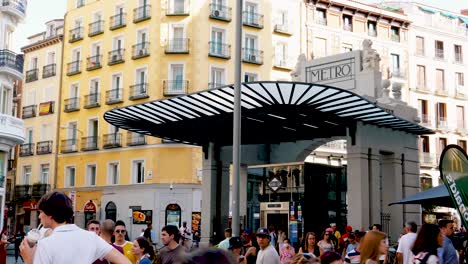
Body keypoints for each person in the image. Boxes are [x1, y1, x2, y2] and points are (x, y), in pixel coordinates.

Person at [19, 191, 130, 264]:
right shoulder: (91, 237)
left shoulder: (46, 244)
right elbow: (125, 262)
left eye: (41, 212)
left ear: (50, 215)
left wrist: (28, 259)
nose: (39, 216)